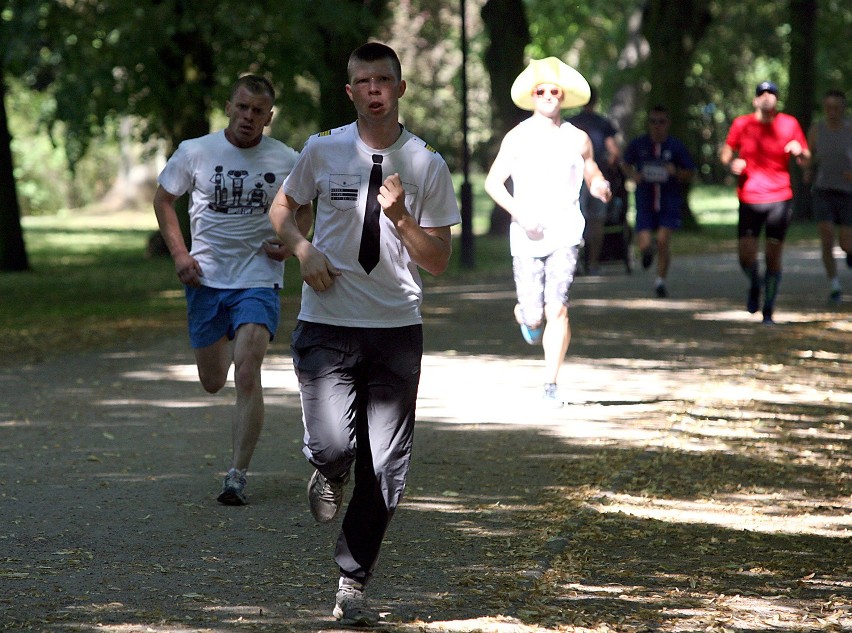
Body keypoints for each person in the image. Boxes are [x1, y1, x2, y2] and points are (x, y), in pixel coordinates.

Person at [268, 42, 460, 626]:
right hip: (326, 322)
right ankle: (328, 470)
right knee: (335, 446)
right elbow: (282, 208)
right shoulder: (322, 150)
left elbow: (439, 261)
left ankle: (352, 582)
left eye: (384, 79)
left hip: (395, 328)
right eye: (362, 80)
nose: (374, 88)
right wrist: (303, 250)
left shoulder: (428, 165)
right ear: (349, 92)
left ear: (400, 89)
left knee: (387, 467)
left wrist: (401, 217)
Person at [153, 75, 311, 506]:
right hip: (206, 281)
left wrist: (292, 243)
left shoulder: (285, 158)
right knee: (211, 381)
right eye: (242, 108)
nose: (248, 117)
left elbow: (306, 203)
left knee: (247, 368)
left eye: (258, 111)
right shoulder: (196, 152)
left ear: (269, 117)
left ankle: (237, 475)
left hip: (258, 277)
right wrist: (180, 255)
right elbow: (164, 200)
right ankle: (222, 339)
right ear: (229, 107)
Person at [484, 57, 611, 408]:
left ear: (564, 96)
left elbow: (592, 171)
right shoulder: (518, 136)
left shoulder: (578, 138)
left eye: (555, 91)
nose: (548, 96)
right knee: (534, 313)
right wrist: (519, 212)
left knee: (557, 308)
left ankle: (551, 384)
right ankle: (527, 317)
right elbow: (493, 183)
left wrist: (599, 185)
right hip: (525, 235)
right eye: (541, 91)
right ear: (532, 95)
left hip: (567, 232)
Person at [720, 81, 810, 324]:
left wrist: (798, 152)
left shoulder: (789, 124)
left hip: (779, 198)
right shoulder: (742, 124)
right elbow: (726, 152)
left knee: (773, 256)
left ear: (777, 100)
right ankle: (756, 284)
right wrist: (732, 165)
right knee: (746, 257)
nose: (767, 97)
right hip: (749, 197)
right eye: (762, 93)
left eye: (772, 93)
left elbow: (806, 157)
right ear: (755, 100)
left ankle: (768, 309)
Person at [623, 105, 696, 297]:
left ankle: (660, 281)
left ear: (668, 124)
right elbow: (624, 163)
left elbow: (689, 172)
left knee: (663, 240)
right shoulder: (639, 144)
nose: (657, 126)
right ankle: (649, 251)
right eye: (653, 122)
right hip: (645, 201)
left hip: (668, 201)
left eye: (661, 122)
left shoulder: (675, 146)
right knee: (645, 245)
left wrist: (676, 172)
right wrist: (633, 175)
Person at [569, 86, 623, 275]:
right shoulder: (603, 123)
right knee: (597, 221)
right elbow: (614, 152)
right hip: (596, 175)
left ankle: (574, 263)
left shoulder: (570, 123)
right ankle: (593, 263)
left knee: (576, 218)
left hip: (574, 177)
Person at [805, 89, 851, 303]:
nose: (832, 112)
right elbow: (809, 157)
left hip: (847, 193)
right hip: (823, 190)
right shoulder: (817, 130)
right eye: (828, 108)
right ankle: (834, 285)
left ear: (843, 108)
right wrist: (807, 170)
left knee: (846, 243)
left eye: (836, 108)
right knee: (826, 234)